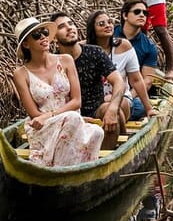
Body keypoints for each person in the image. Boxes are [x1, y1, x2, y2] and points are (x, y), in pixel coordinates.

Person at [12, 17, 104, 166]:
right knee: (73, 118)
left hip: (71, 120)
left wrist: (59, 116)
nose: (43, 36)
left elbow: (76, 101)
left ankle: (64, 170)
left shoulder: (66, 60)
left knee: (97, 132)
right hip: (43, 127)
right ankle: (58, 170)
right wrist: (58, 118)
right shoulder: (20, 74)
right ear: (26, 44)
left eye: (44, 32)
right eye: (36, 35)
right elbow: (34, 114)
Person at [50, 12, 126, 149]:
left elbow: (118, 82)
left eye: (71, 24)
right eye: (62, 26)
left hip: (96, 114)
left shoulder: (95, 52)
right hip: (67, 117)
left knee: (110, 109)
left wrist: (113, 109)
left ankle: (105, 158)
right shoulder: (52, 62)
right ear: (54, 38)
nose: (69, 28)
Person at [85, 10, 157, 121]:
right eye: (101, 24)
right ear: (92, 29)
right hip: (95, 102)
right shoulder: (84, 49)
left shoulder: (124, 46)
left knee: (121, 105)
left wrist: (149, 109)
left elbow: (136, 80)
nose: (108, 26)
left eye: (109, 22)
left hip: (122, 98)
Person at [114, 0, 160, 120]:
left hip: (131, 93)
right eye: (137, 12)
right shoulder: (110, 34)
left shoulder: (149, 47)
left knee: (141, 107)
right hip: (107, 88)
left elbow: (147, 81)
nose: (142, 15)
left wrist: (128, 96)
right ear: (125, 15)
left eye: (145, 13)